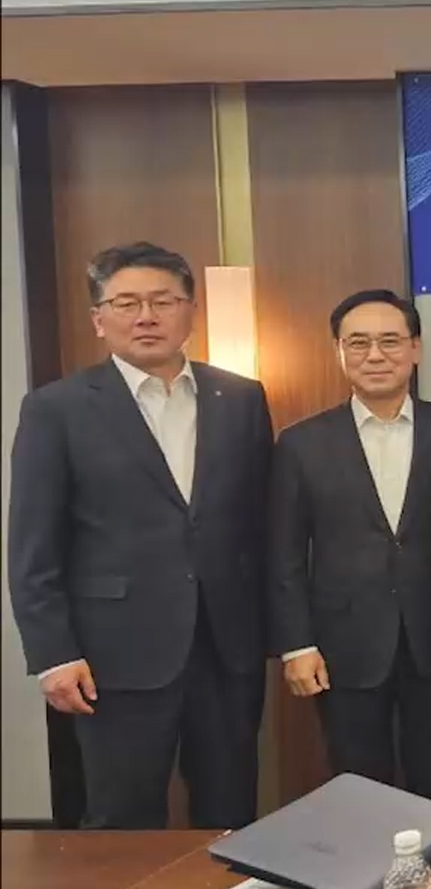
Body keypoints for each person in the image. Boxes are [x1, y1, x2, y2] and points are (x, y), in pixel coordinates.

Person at [7, 242, 274, 829]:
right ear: (99, 319)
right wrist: (53, 654)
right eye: (126, 303)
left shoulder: (241, 398)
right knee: (121, 818)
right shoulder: (57, 409)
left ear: (191, 311)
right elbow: (32, 548)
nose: (146, 316)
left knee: (231, 813)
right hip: (113, 655)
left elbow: (260, 528)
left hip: (226, 648)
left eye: (162, 301)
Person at [268, 289, 431, 810]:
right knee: (357, 787)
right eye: (358, 343)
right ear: (338, 351)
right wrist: (296, 646)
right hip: (342, 647)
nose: (375, 355)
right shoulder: (301, 443)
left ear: (415, 349)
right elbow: (284, 555)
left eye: (390, 341)